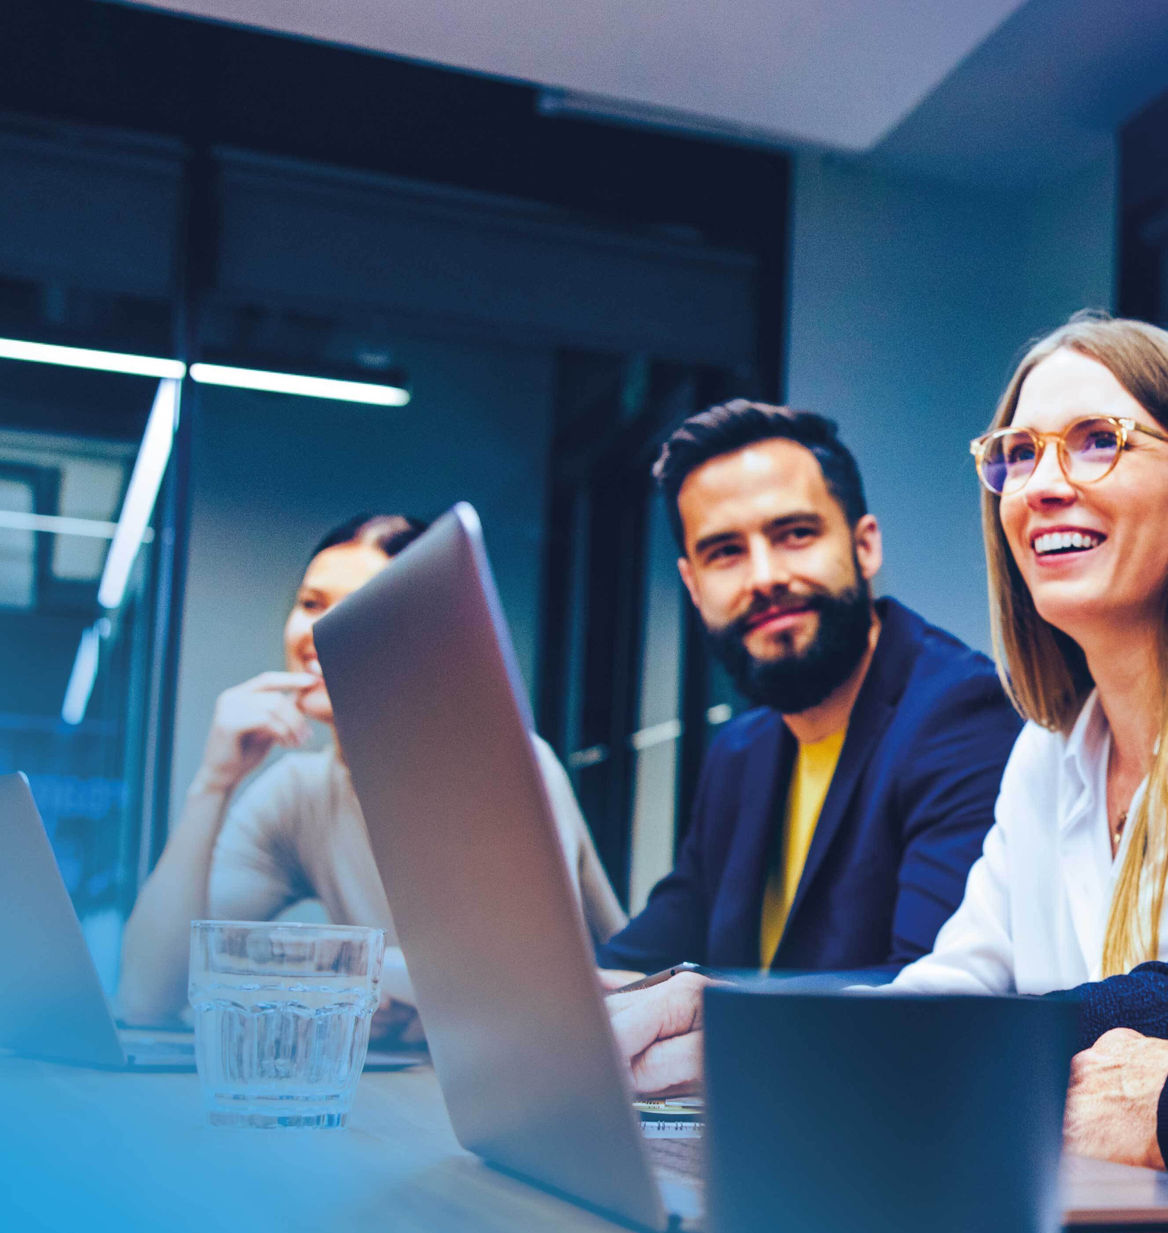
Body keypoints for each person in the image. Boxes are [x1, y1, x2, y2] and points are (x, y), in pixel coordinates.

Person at [610, 317, 1168, 1164]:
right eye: (1017, 454)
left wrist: (769, 1042)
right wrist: (724, 1022)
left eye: (1099, 441)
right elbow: (950, 990)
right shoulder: (1048, 755)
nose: (1041, 486)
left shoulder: (957, 712)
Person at [119, 513, 626, 1028]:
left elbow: (510, 990)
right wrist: (213, 783)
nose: (318, 632)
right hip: (420, 1088)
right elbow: (146, 993)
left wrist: (340, 972)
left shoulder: (510, 767)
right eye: (311, 604)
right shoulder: (299, 793)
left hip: (591, 1082)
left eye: (356, 610)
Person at [596, 399, 1020, 986]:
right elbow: (642, 959)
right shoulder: (739, 752)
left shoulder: (963, 716)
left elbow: (930, 998)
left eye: (794, 533)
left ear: (865, 545)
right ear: (693, 585)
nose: (764, 576)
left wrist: (700, 1016)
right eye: (725, 552)